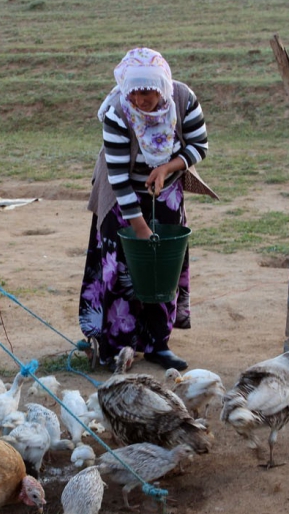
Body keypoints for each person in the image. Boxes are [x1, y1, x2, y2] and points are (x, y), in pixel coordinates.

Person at [79, 47, 217, 372]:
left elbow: (199, 145)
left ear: (163, 86)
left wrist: (168, 168)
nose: (142, 99)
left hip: (165, 189)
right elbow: (118, 180)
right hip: (121, 195)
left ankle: (158, 343)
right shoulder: (117, 112)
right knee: (122, 268)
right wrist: (140, 228)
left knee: (162, 268)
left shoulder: (182, 99)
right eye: (136, 92)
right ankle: (117, 345)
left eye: (149, 92)